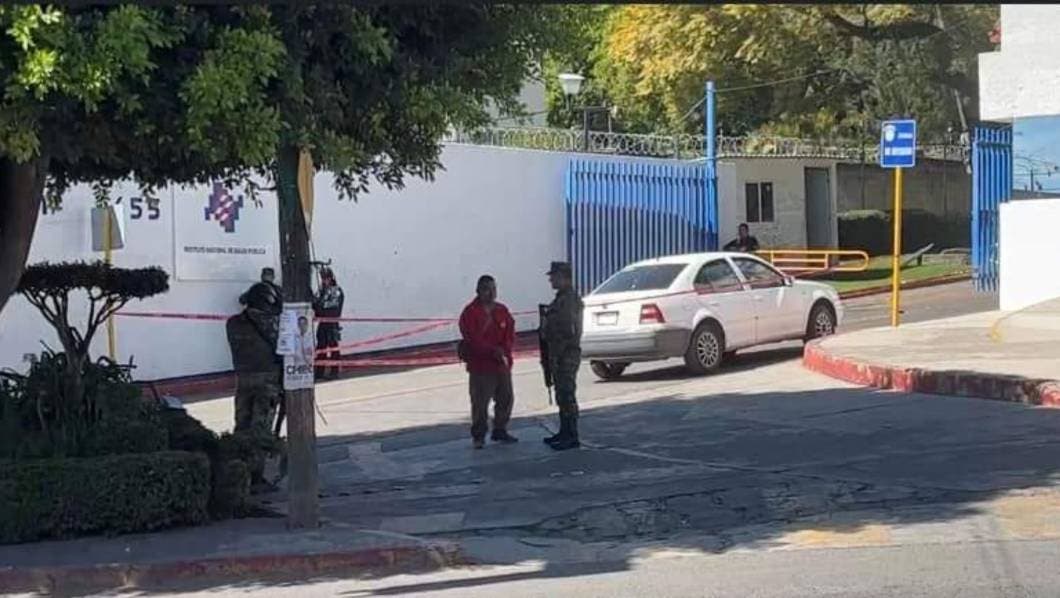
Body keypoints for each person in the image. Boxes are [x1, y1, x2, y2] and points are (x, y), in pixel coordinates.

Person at [225, 282, 282, 491]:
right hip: (267, 381)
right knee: (260, 429)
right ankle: (255, 477)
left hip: (243, 379)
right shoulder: (270, 322)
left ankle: (238, 473)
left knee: (242, 425)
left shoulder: (233, 323)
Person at [458, 275, 518, 449]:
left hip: (501, 363)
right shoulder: (470, 312)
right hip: (481, 366)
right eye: (486, 289)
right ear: (478, 291)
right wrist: (491, 351)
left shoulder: (501, 310)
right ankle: (479, 435)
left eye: (493, 289)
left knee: (506, 397)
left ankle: (500, 429)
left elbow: (510, 332)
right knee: (480, 403)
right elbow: (472, 338)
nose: (491, 293)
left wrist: (504, 350)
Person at [542, 261, 584, 451]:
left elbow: (568, 329)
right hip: (559, 353)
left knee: (567, 394)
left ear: (564, 277)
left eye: (554, 276)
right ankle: (564, 431)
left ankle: (572, 435)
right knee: (561, 394)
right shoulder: (561, 299)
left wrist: (558, 350)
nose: (551, 280)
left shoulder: (569, 300)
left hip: (566, 354)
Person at [313, 267, 345, 380]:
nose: (324, 280)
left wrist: (317, 305)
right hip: (323, 323)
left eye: (326, 278)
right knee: (320, 348)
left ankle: (334, 372)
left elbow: (330, 307)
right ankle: (319, 372)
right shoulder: (321, 291)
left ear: (331, 278)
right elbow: (316, 306)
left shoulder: (336, 291)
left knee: (333, 347)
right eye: (322, 278)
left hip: (332, 322)